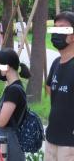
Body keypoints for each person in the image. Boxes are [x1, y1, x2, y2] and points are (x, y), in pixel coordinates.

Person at [45, 11, 74, 160]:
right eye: (55, 28)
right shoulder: (56, 63)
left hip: (70, 145)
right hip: (51, 139)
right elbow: (50, 89)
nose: (56, 33)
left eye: (62, 29)